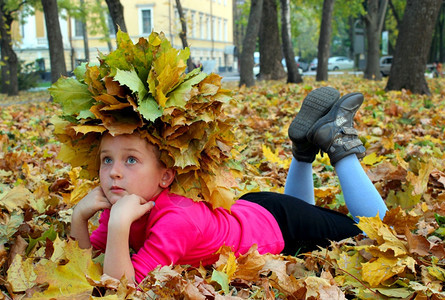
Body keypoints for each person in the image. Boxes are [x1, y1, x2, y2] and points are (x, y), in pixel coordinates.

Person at [70, 86, 388, 284]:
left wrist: (119, 227)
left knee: (376, 232)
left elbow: (122, 287)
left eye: (130, 160)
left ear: (166, 176)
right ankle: (303, 150)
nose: (113, 173)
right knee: (309, 213)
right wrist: (79, 219)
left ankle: (339, 142)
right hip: (253, 210)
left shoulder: (174, 221)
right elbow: (91, 260)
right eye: (107, 159)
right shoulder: (123, 200)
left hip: (280, 226)